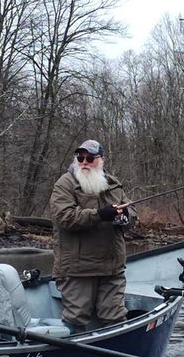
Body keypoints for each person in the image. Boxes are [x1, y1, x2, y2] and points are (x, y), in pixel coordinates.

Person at [49, 139, 137, 333]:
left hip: (111, 269)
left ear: (101, 159)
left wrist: (124, 218)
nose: (84, 162)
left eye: (90, 158)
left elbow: (131, 211)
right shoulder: (64, 184)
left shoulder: (113, 184)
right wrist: (99, 215)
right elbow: (65, 218)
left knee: (116, 320)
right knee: (76, 320)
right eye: (80, 157)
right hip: (77, 270)